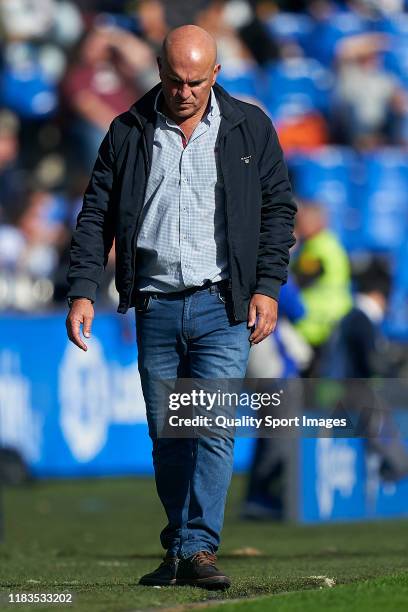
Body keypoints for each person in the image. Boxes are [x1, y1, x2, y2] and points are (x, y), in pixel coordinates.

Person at [66, 25, 296, 590]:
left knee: (212, 427)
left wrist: (267, 286)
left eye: (196, 80)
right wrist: (81, 289)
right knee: (169, 435)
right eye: (174, 80)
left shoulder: (251, 128)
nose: (185, 91)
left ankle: (198, 549)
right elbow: (96, 213)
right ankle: (180, 543)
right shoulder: (127, 131)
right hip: (157, 306)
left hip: (223, 305)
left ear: (215, 74)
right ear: (160, 74)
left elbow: (278, 212)